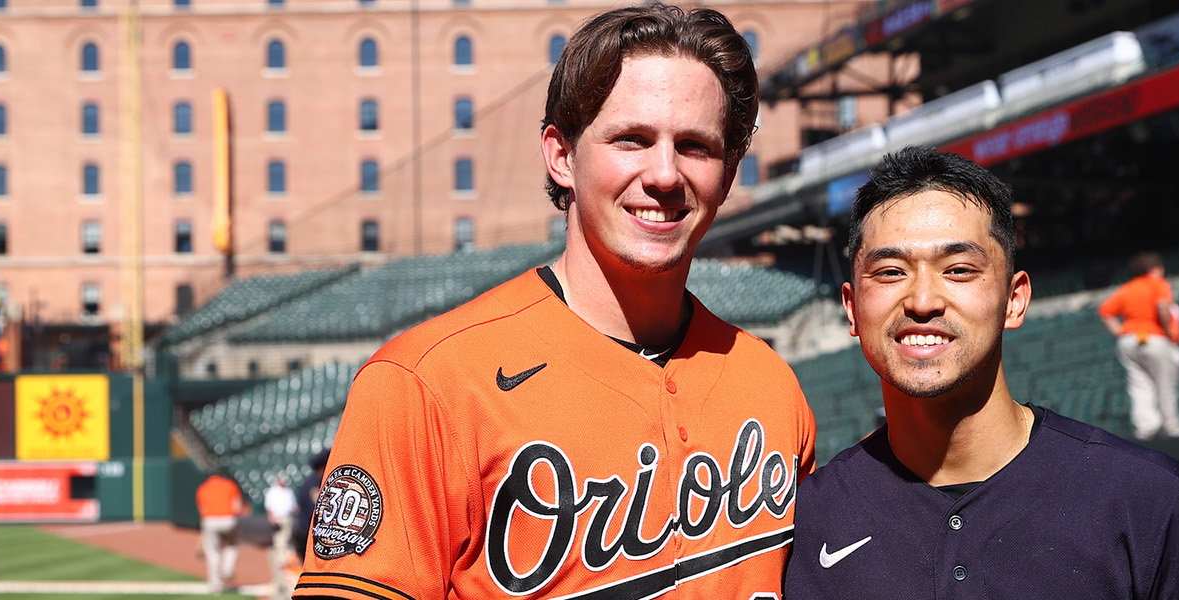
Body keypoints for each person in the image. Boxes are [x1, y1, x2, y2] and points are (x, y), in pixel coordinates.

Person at [296, 5, 815, 599]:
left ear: (727, 174)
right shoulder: (425, 383)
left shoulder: (772, 386)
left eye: (695, 146)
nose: (665, 174)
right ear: (562, 156)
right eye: (631, 139)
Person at [785, 146, 1179, 599]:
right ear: (851, 307)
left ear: (1014, 299)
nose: (922, 300)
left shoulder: (1148, 501)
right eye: (889, 272)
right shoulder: (806, 521)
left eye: (960, 269)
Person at [1100, 252, 1179, 440]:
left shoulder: (1128, 288)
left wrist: (1119, 331)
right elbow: (1163, 307)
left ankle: (1145, 429)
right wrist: (1167, 331)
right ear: (1156, 268)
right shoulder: (1157, 283)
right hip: (1153, 338)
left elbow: (1105, 310)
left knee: (1140, 385)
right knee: (1166, 383)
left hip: (1128, 341)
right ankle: (1173, 426)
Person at [195, 472, 245, 594]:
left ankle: (215, 585)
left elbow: (202, 510)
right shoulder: (230, 485)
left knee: (213, 552)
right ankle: (228, 569)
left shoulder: (203, 488)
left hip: (210, 520)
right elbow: (237, 506)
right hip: (229, 519)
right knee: (232, 545)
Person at [263, 475, 299, 588]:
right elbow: (269, 506)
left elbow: (294, 506)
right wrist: (271, 517)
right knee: (279, 540)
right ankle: (281, 559)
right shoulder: (272, 491)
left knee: (286, 539)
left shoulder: (288, 491)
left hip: (287, 517)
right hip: (277, 518)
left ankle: (285, 558)